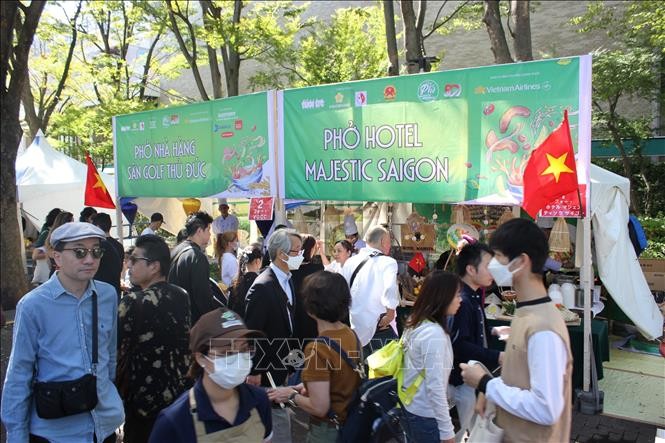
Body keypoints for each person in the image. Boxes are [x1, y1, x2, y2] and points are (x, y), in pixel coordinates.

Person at [1, 222, 124, 442]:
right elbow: (19, 373)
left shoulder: (107, 296)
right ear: (56, 257)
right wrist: (16, 435)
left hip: (103, 427)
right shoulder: (33, 305)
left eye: (96, 252)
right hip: (56, 431)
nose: (89, 259)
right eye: (79, 252)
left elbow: (110, 354)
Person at [460, 218, 573, 442]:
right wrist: (490, 392)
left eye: (498, 257)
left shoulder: (543, 329)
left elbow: (546, 409)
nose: (493, 264)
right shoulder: (525, 313)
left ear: (521, 261)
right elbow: (523, 379)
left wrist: (485, 383)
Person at [149, 307, 272, 442]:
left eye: (244, 349)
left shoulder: (259, 400)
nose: (239, 359)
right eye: (228, 352)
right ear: (201, 358)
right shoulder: (174, 421)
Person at [268, 271, 362, 442]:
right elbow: (340, 377)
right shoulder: (350, 334)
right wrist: (304, 386)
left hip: (328, 431)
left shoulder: (317, 349)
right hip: (351, 424)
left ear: (311, 308)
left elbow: (319, 407)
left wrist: (290, 394)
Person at [117, 234, 191, 442]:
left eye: (135, 260)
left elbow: (114, 349)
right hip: (177, 397)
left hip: (142, 401)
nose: (129, 265)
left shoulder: (132, 302)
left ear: (154, 266)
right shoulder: (181, 296)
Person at [244, 229, 303, 443]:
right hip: (266, 367)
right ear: (281, 254)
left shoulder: (288, 280)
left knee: (279, 413)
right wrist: (255, 369)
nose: (300, 256)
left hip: (282, 362)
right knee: (275, 418)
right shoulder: (262, 286)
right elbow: (253, 333)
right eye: (296, 251)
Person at [449, 242, 503, 441]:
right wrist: (497, 356)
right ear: (471, 269)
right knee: (470, 432)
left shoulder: (471, 296)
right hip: (463, 380)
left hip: (470, 378)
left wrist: (494, 331)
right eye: (488, 266)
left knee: (471, 429)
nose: (493, 271)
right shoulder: (462, 300)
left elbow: (472, 332)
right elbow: (460, 344)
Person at [400, 270, 461, 443]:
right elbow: (435, 387)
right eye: (457, 295)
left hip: (413, 407)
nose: (460, 300)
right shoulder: (433, 334)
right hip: (426, 415)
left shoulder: (417, 321)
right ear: (443, 297)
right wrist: (447, 432)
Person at [342, 225, 399, 355]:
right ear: (383, 242)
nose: (389, 246)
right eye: (389, 242)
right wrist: (390, 314)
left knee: (360, 371)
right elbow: (390, 289)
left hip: (355, 326)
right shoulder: (388, 262)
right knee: (385, 372)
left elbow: (343, 291)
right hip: (379, 327)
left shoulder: (350, 262)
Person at [168, 211, 218, 324]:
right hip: (192, 322)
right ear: (200, 231)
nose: (210, 234)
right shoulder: (197, 257)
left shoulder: (176, 250)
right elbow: (203, 297)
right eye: (208, 230)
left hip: (174, 316)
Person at [291, 234, 324, 343]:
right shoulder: (317, 269)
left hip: (294, 316)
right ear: (312, 249)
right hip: (311, 317)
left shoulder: (290, 269)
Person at [91, 213, 124, 297]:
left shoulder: (98, 245)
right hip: (115, 289)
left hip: (100, 292)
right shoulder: (119, 245)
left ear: (97, 227)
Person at [228, 245, 263, 316]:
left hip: (238, 325)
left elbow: (229, 311)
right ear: (258, 261)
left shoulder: (235, 284)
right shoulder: (261, 284)